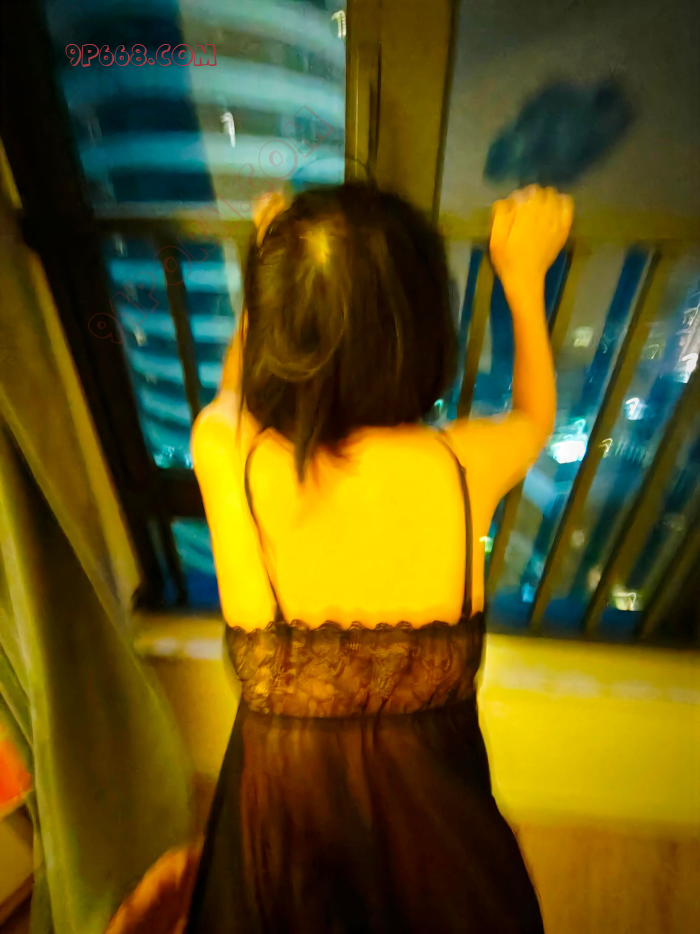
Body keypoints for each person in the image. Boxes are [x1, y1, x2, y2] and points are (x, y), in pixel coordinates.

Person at [185, 182, 573, 933]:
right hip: (434, 812)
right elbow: (535, 415)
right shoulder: (463, 463)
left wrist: (263, 273)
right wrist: (524, 281)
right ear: (423, 335)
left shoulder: (226, 452)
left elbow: (232, 391)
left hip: (281, 810)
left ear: (274, 334)